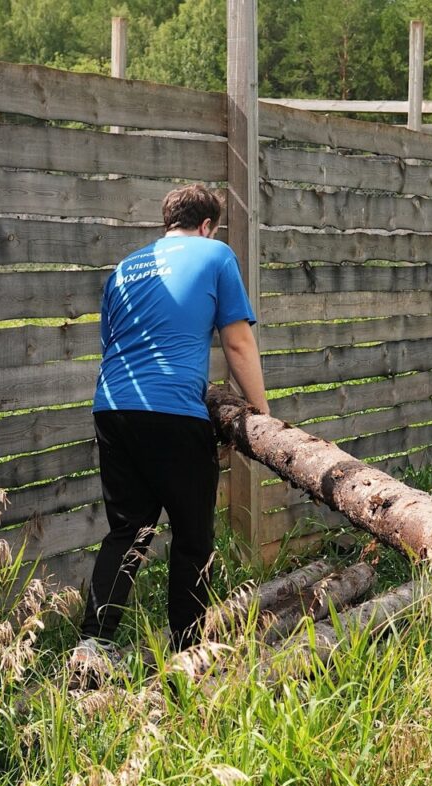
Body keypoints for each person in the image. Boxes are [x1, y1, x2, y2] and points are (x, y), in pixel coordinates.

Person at [71, 184, 268, 670]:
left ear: (167, 223)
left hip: (113, 409)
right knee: (192, 535)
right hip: (173, 413)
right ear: (206, 226)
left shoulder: (124, 269)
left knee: (128, 531)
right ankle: (188, 654)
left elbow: (114, 346)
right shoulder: (215, 254)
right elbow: (238, 343)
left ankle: (92, 646)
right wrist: (261, 413)